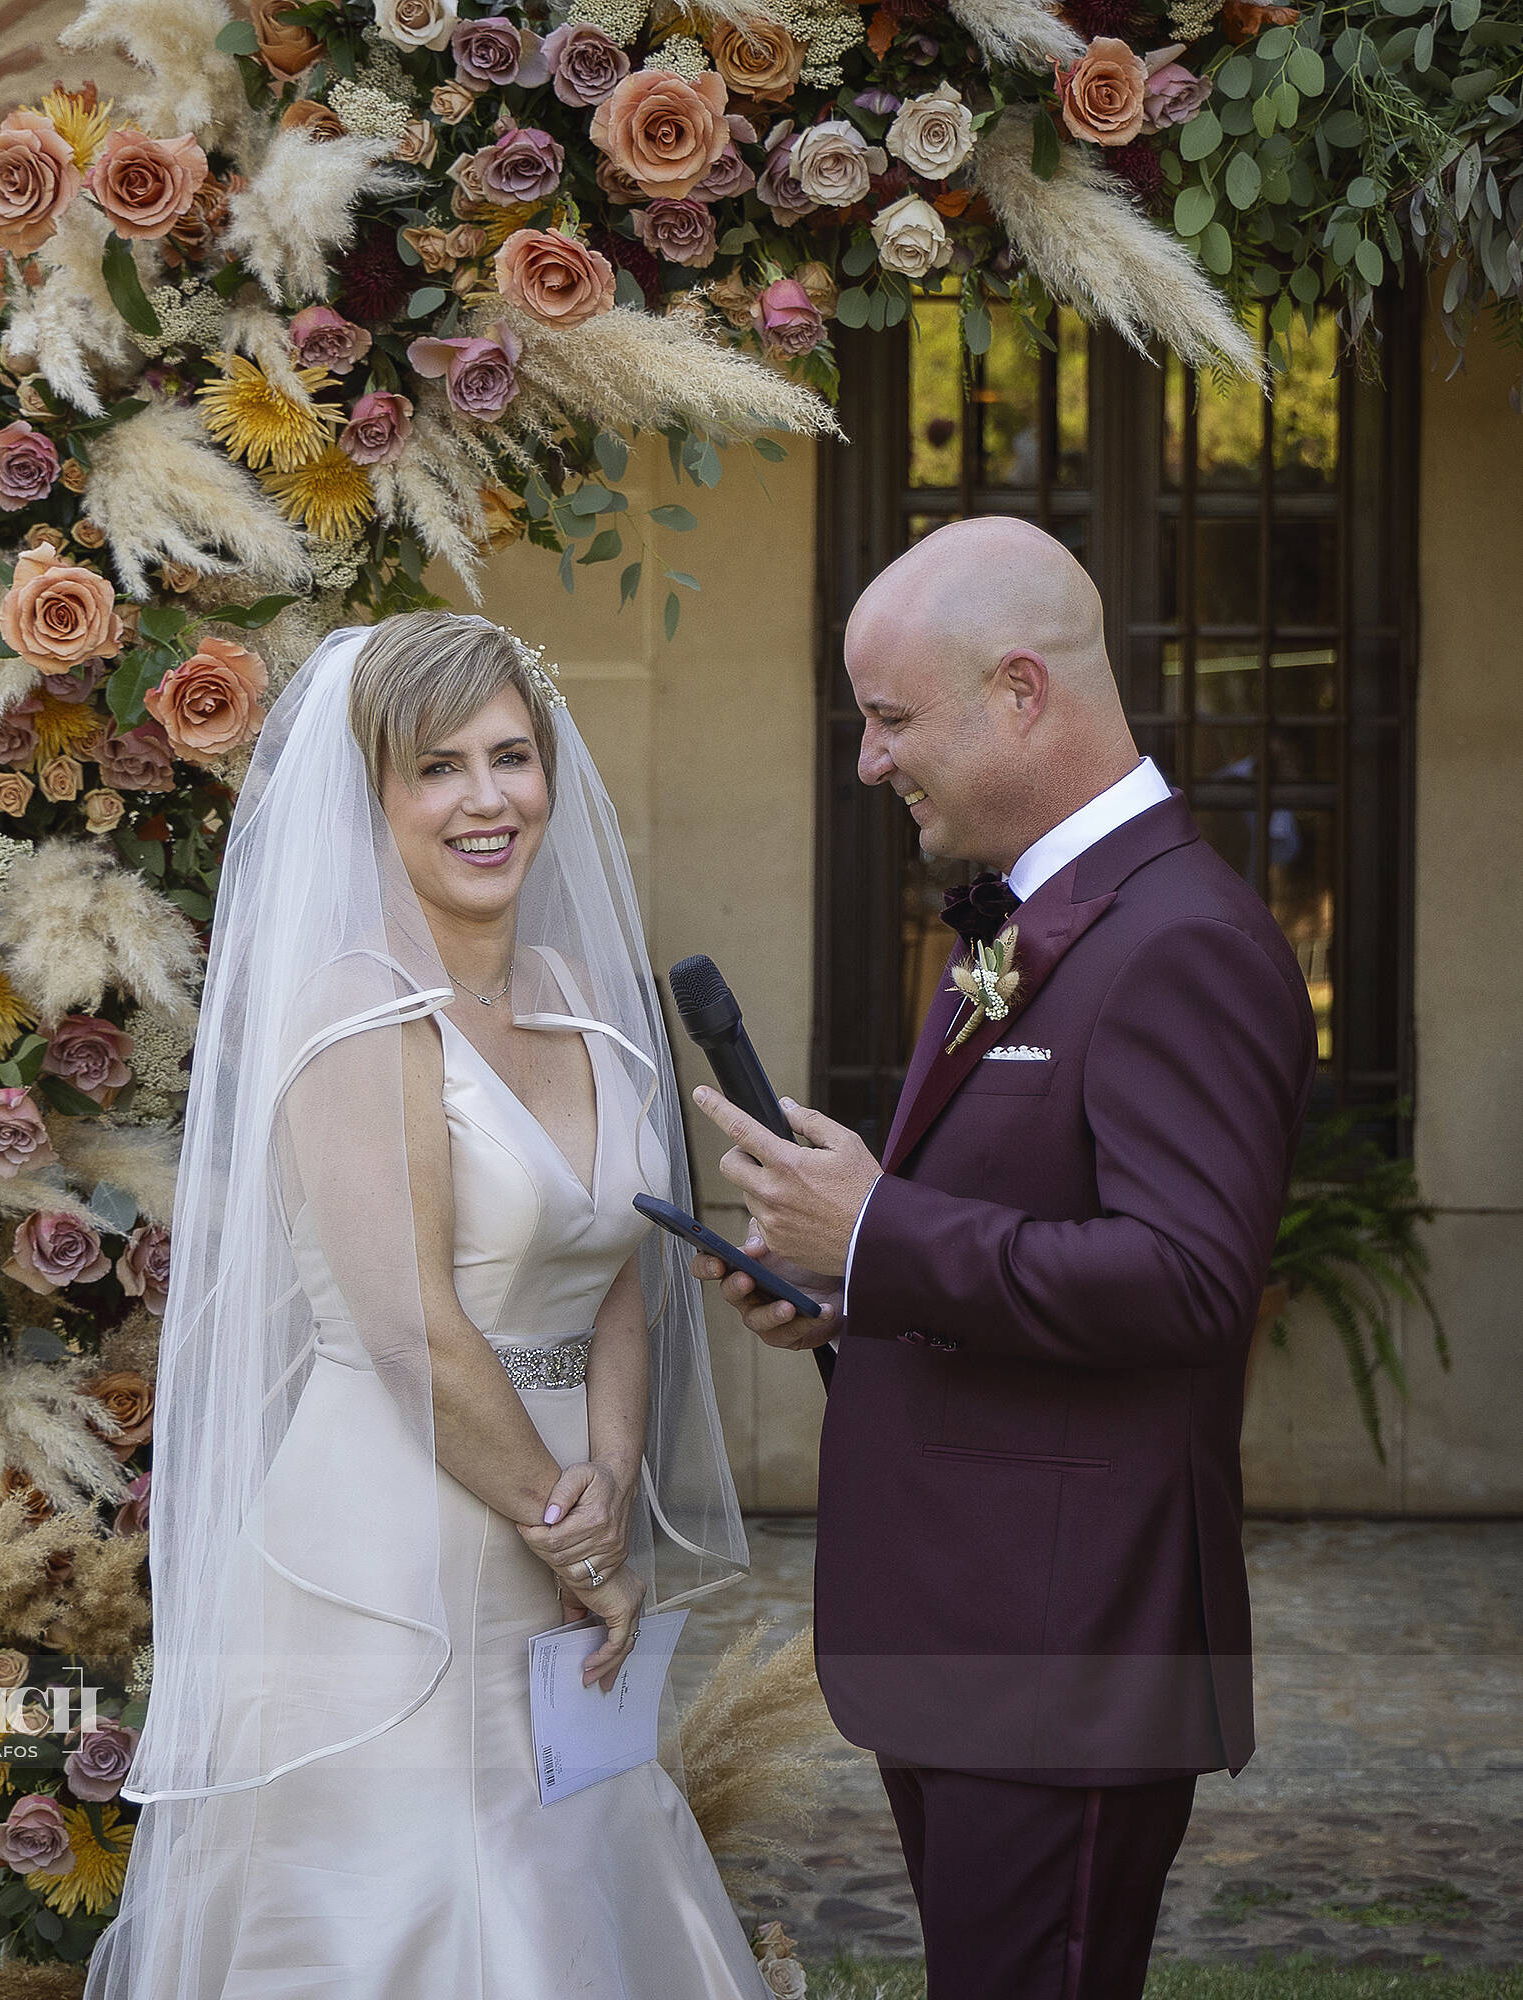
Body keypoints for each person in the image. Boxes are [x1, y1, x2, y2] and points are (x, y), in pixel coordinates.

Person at [84, 612, 759, 2000]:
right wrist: (579, 1550)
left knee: (569, 1894)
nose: (486, 799)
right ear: (372, 796)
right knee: (425, 1910)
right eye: (436, 768)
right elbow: (411, 1334)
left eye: (511, 757)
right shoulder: (354, 1014)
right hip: (396, 1555)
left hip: (565, 1511)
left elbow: (619, 1268)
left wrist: (613, 1477)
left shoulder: (578, 995)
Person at [688, 518, 1318, 1999]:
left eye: (891, 718)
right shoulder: (1038, 917)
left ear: (1020, 692)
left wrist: (881, 1227)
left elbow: (1185, 1281)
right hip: (981, 1632)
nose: (867, 761)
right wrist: (846, 1286)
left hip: (1069, 1644)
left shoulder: (1183, 940)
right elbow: (1038, 1229)